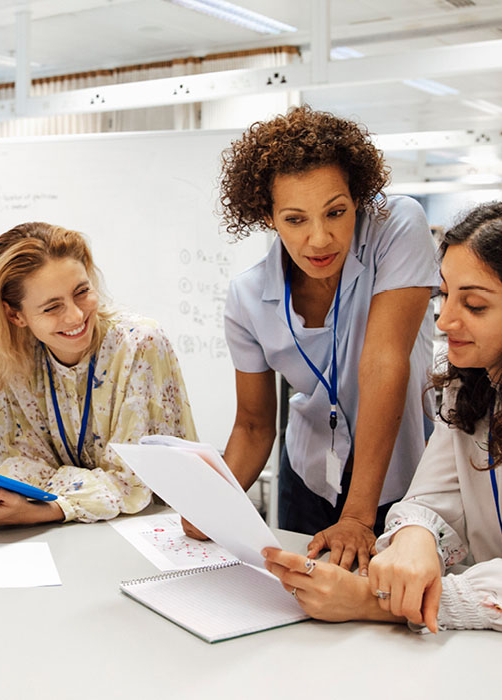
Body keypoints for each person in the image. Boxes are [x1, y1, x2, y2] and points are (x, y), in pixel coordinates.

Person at [198, 105, 439, 573]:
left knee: (387, 616)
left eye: (336, 211)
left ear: (358, 199)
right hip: (307, 478)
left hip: (399, 477)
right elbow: (252, 426)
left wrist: (356, 516)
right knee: (303, 614)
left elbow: (384, 362)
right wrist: (213, 506)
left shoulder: (398, 227)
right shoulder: (248, 296)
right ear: (267, 216)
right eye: (295, 219)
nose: (319, 239)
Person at [263, 201, 502, 633]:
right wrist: (417, 536)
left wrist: (374, 601)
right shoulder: (467, 385)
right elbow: (432, 497)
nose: (445, 321)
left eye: (475, 306)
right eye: (444, 294)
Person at [0, 221, 197, 527]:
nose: (75, 316)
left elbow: (131, 483)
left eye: (82, 292)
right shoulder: (16, 359)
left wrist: (43, 509)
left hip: (156, 529)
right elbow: (28, 464)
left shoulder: (139, 343)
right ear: (15, 315)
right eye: (51, 308)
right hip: (70, 531)